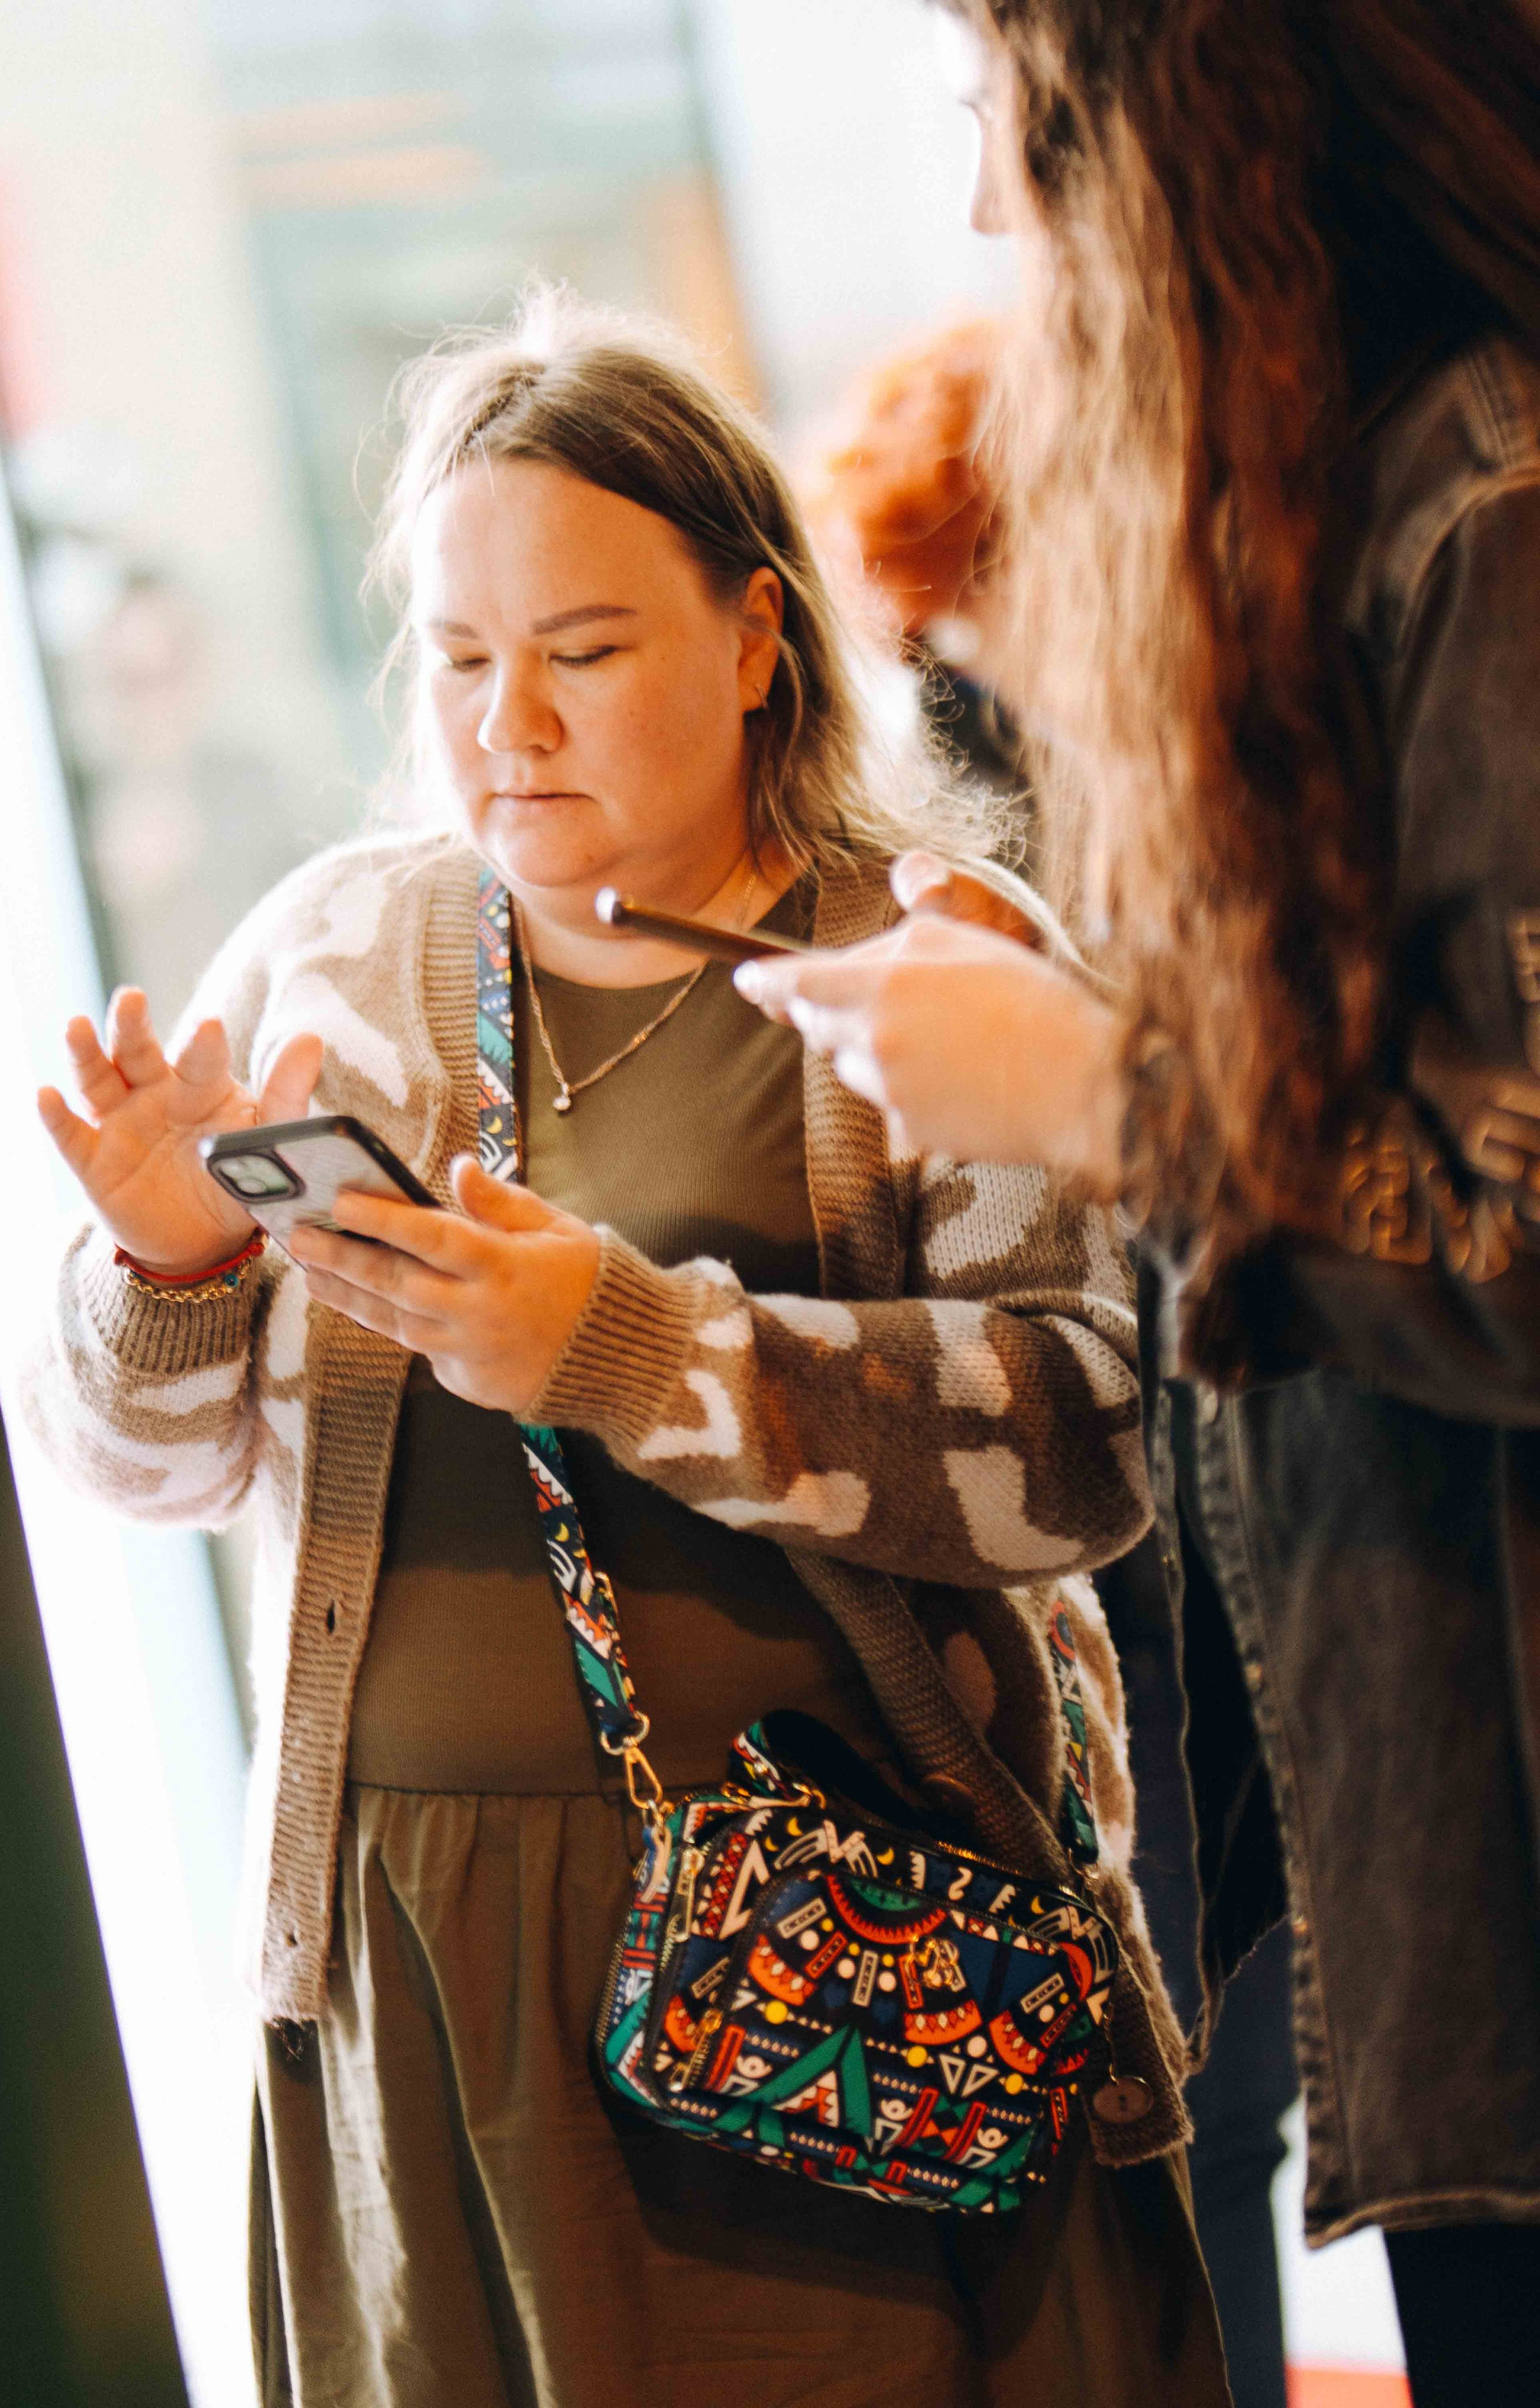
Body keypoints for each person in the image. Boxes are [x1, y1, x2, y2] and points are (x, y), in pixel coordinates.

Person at [23, 291, 1228, 2408]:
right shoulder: (337, 946)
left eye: (582, 654)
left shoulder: (929, 954)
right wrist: (171, 1264)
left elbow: (1083, 1446)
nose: (512, 725)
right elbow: (141, 1469)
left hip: (856, 1951)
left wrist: (627, 1349)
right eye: (465, 662)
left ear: (759, 635)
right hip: (410, 1948)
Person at [736, 6, 1540, 2400]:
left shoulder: (1481, 512)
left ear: (1203, 141)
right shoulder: (1389, 501)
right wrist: (1095, 1024)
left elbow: (1510, 1236)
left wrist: (1114, 1096)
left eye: (1012, 128)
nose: (992, 210)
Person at [805, 315, 1302, 2408]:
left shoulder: (1255, 770)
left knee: (1237, 2089)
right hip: (1136, 1577)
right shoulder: (960, 823)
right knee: (1192, 2100)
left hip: (1257, 1509)